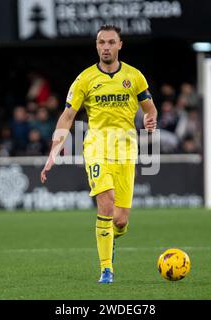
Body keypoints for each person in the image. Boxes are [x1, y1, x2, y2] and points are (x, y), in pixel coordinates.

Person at [40, 25, 158, 284]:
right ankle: (107, 269)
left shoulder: (134, 77)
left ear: (120, 45)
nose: (105, 47)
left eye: (110, 42)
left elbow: (150, 108)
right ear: (96, 46)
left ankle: (110, 237)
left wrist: (151, 121)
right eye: (101, 42)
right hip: (96, 148)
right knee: (106, 201)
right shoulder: (84, 79)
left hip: (126, 151)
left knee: (119, 220)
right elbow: (68, 115)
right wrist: (53, 152)